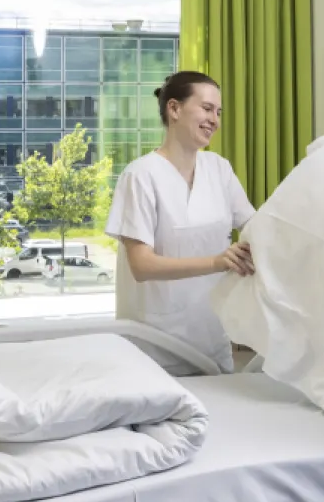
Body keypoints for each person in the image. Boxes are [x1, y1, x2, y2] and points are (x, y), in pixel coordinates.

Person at [104, 71, 256, 370]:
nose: (215, 119)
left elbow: (254, 226)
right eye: (207, 108)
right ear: (174, 109)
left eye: (218, 112)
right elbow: (142, 265)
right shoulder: (141, 176)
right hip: (155, 345)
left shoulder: (219, 169)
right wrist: (218, 261)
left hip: (212, 338)